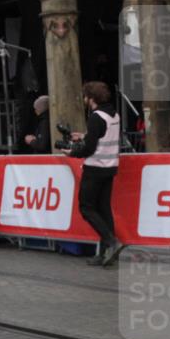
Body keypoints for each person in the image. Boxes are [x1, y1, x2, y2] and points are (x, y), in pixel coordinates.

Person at [64, 81, 123, 267]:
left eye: (85, 96)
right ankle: (107, 253)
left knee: (86, 207)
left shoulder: (96, 117)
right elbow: (101, 137)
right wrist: (84, 135)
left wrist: (72, 152)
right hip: (110, 167)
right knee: (104, 208)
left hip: (95, 167)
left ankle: (111, 241)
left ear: (91, 99)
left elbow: (89, 148)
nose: (84, 100)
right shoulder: (114, 115)